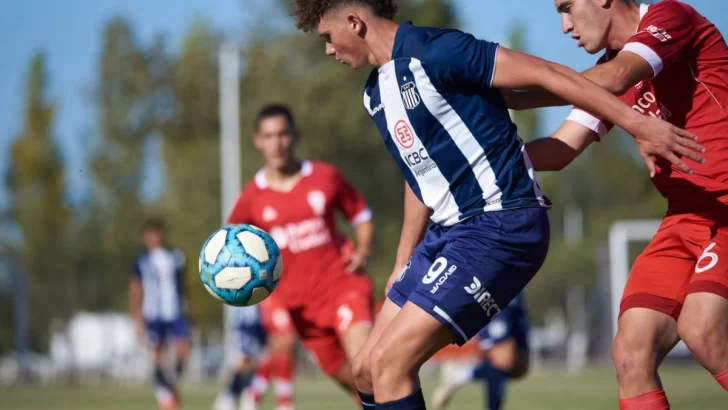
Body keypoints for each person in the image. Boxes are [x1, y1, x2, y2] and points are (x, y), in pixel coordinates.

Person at [290, 1, 702, 409]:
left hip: (499, 224)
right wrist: (402, 258)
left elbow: (548, 73)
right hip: (447, 233)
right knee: (364, 369)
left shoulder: (437, 50)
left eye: (328, 37)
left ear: (354, 22)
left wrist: (638, 123)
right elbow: (420, 175)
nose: (328, 49)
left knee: (390, 364)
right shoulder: (376, 92)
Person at [505, 1, 728, 408]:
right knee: (630, 354)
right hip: (684, 219)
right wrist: (477, 162)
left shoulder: (669, 17)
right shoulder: (607, 72)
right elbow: (559, 149)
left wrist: (513, 96)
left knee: (703, 328)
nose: (564, 26)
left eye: (567, 7)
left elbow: (618, 75)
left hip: (726, 209)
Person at [227, 103, 376, 408]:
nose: (277, 143)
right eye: (269, 136)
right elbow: (232, 252)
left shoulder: (325, 177)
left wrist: (364, 250)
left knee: (368, 369)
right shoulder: (251, 199)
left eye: (283, 134)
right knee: (358, 388)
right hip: (302, 312)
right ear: (258, 140)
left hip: (343, 288)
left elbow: (361, 215)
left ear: (294, 136)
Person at [129, 218, 191, 410]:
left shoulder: (175, 256)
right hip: (153, 313)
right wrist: (137, 317)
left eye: (155, 234)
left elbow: (184, 283)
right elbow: (136, 288)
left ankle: (171, 384)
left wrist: (190, 307)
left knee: (184, 348)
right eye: (149, 235)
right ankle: (165, 396)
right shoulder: (141, 259)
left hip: (175, 311)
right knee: (156, 354)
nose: (152, 238)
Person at [430, 293, 530, 410]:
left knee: (520, 368)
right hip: (497, 297)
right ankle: (459, 374)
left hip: (514, 299)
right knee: (504, 361)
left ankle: (461, 374)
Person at [214, 301, 296, 410]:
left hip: (259, 322)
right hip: (245, 317)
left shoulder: (273, 300)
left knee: (277, 355)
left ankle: (276, 400)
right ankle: (239, 396)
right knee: (244, 363)